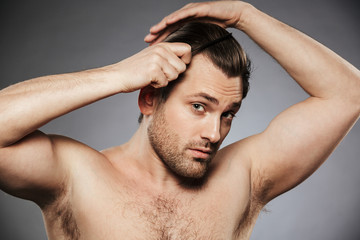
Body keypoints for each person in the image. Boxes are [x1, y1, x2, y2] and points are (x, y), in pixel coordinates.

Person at [0, 1, 359, 239]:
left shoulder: (245, 177)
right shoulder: (75, 175)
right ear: (149, 98)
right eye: (200, 107)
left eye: (228, 114)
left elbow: (349, 94)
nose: (215, 133)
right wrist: (114, 76)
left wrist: (245, 17)